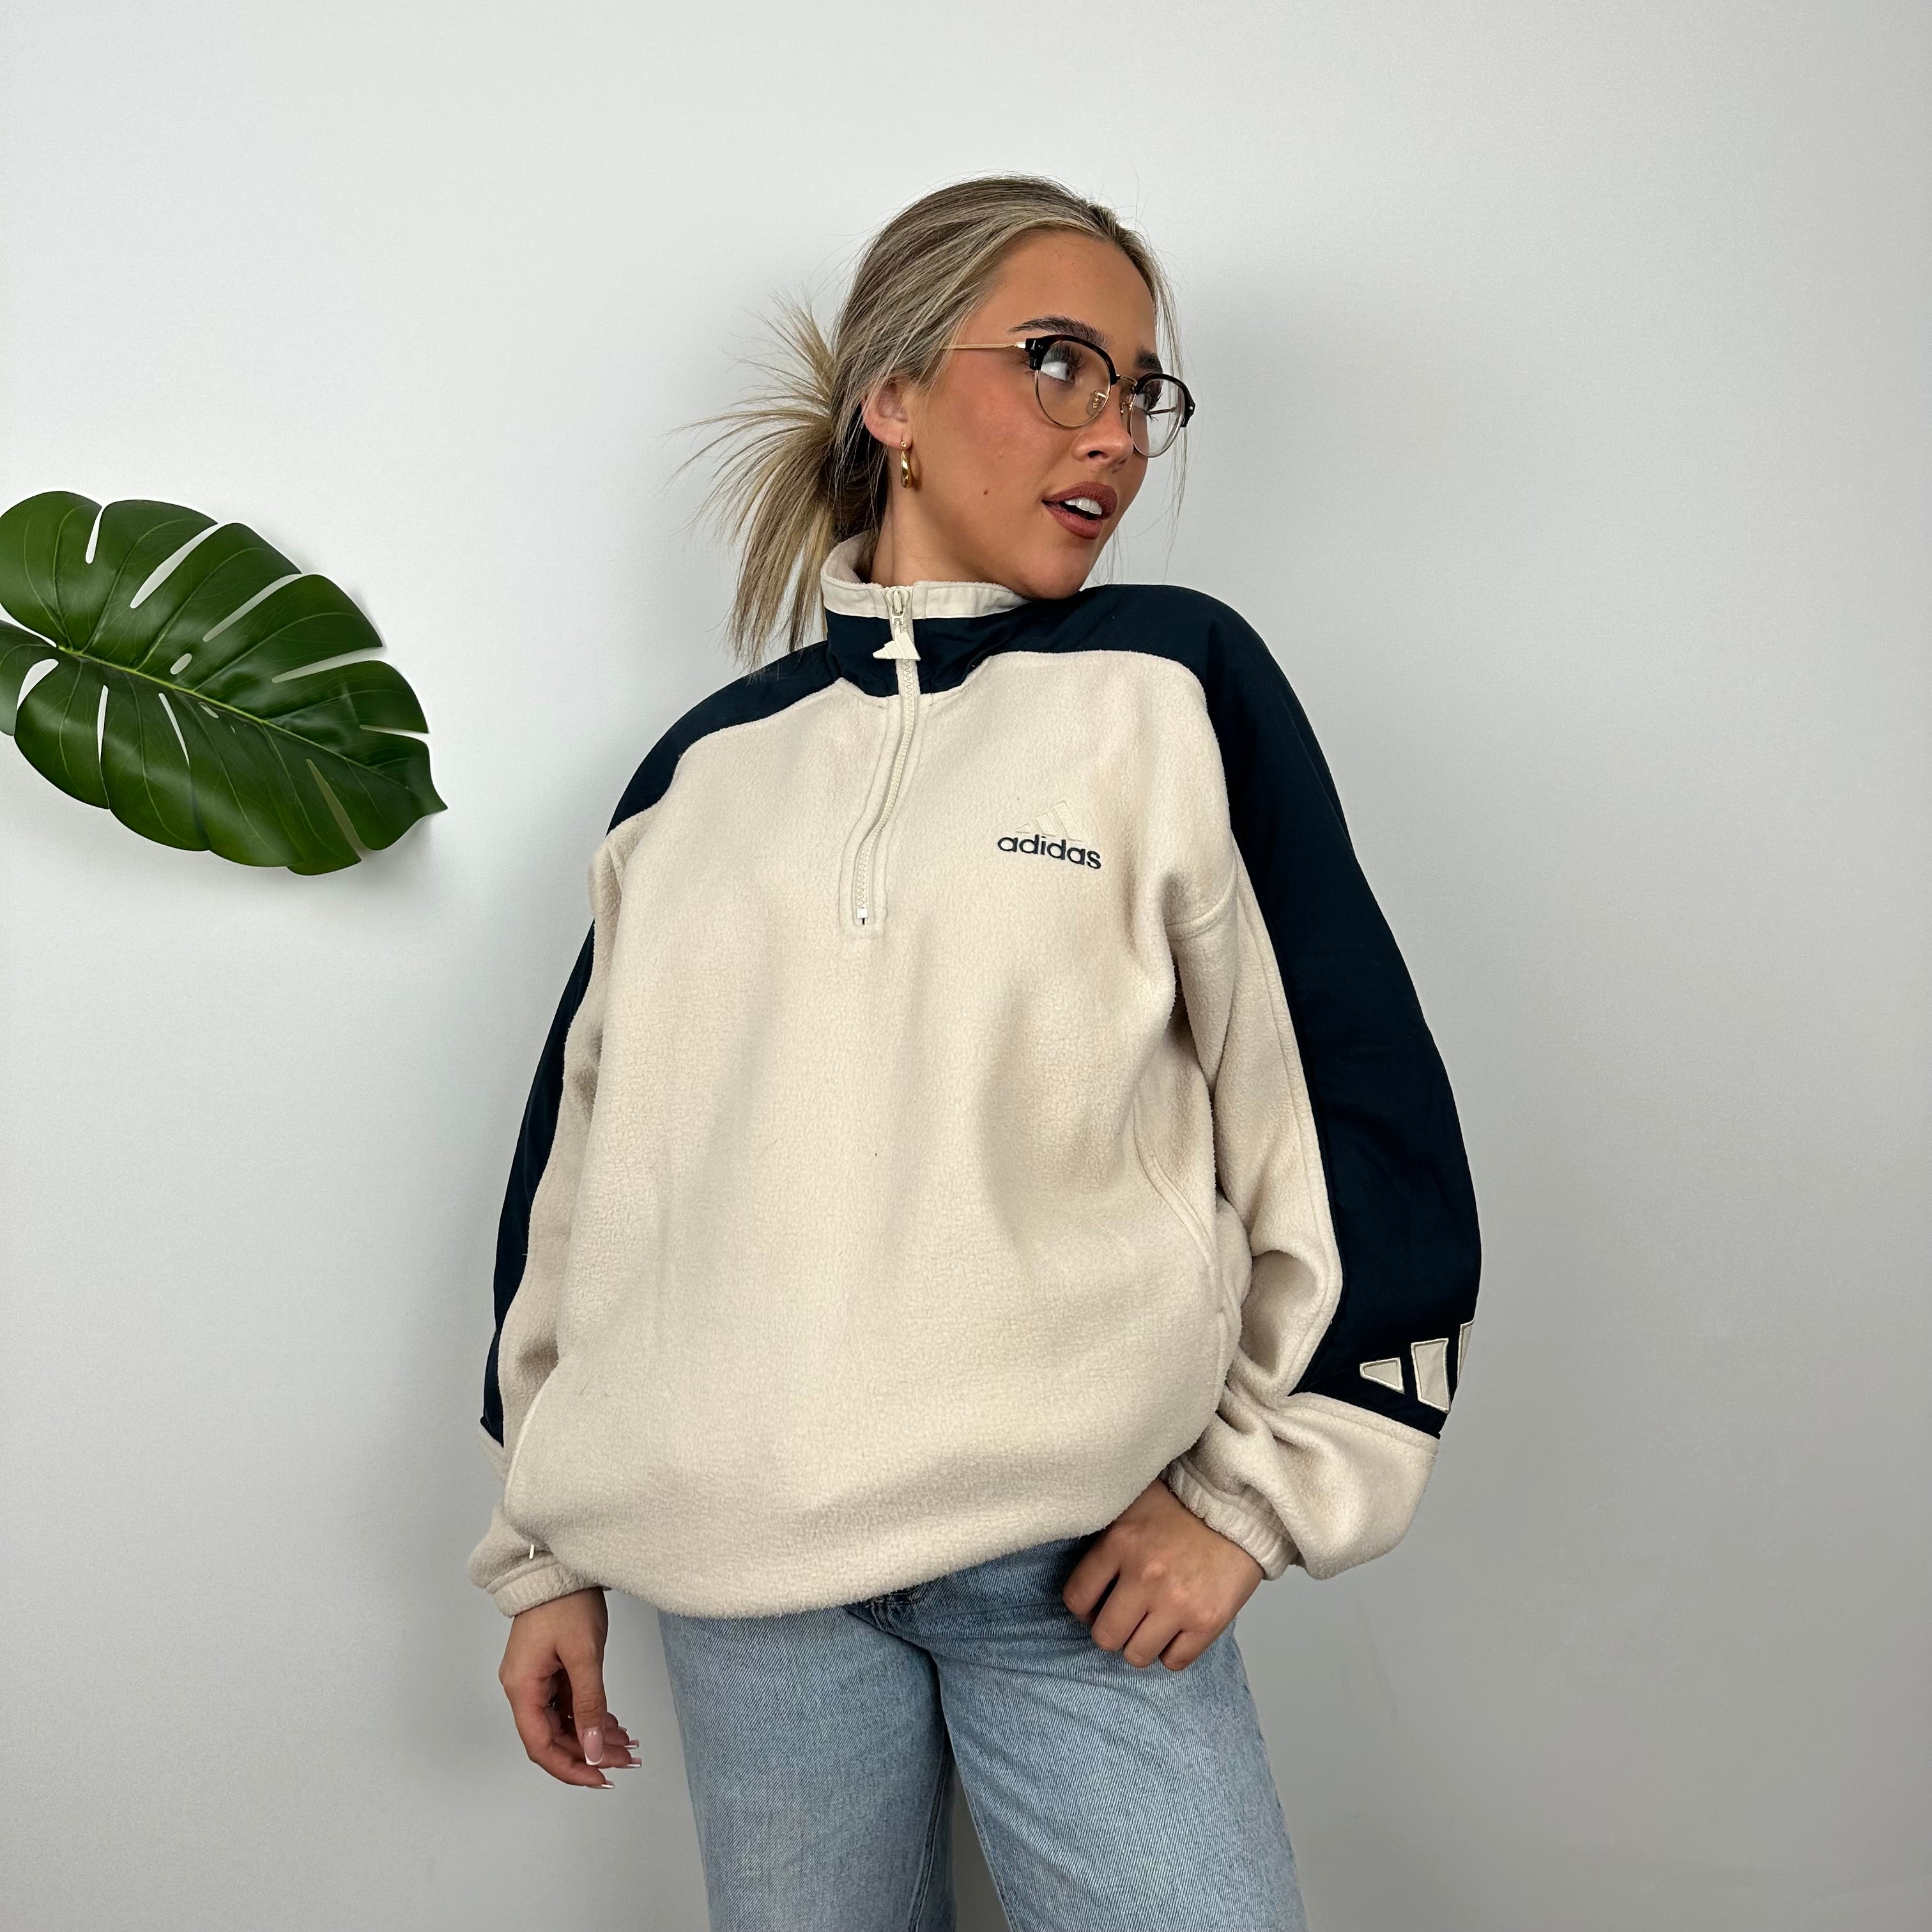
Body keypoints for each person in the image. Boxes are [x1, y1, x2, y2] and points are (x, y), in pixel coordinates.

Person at [468, 173, 1481, 1932]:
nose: (1117, 435)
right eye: (1061, 363)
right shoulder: (703, 773)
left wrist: (1255, 1499)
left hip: (1078, 1569)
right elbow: (589, 1173)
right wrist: (542, 1549)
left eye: (1142, 390)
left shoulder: (1173, 683)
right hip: (747, 1584)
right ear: (895, 395)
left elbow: (1339, 1099)